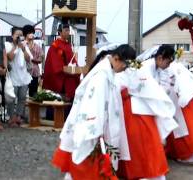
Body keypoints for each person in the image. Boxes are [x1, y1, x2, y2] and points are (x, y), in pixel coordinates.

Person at [52, 44, 136, 179]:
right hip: (95, 125)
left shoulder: (108, 71)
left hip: (103, 124)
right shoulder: (101, 76)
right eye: (125, 64)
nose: (124, 69)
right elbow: (93, 103)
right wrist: (96, 128)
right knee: (87, 164)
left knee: (89, 165)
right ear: (116, 58)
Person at [140, 45, 193, 165]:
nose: (169, 65)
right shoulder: (147, 67)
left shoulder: (166, 67)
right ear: (160, 58)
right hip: (155, 102)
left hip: (173, 99)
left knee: (178, 128)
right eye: (168, 61)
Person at [115, 63, 178, 179]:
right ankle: (148, 171)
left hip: (135, 111)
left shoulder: (131, 72)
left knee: (138, 144)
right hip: (140, 110)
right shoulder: (142, 71)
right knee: (144, 144)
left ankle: (143, 172)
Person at [42, 23, 80, 101]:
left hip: (68, 74)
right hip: (60, 77)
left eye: (69, 30)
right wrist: (66, 69)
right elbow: (55, 65)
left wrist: (76, 67)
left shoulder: (68, 45)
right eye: (66, 30)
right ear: (60, 32)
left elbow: (72, 60)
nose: (68, 32)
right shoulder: (55, 45)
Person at [5, 27, 33, 126]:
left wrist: (23, 48)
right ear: (12, 36)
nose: (19, 36)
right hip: (13, 76)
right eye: (17, 34)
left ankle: (18, 117)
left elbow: (29, 59)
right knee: (11, 98)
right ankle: (11, 117)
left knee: (22, 98)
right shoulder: (8, 45)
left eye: (21, 35)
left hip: (24, 76)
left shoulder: (24, 45)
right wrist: (16, 46)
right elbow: (10, 57)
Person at [23, 25, 44, 97]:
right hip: (23, 72)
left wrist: (33, 59)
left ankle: (33, 108)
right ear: (25, 34)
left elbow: (41, 59)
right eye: (29, 33)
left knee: (33, 95)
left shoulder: (37, 46)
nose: (31, 34)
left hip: (34, 73)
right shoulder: (22, 45)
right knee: (22, 95)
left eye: (32, 32)